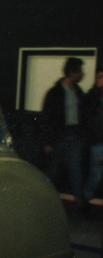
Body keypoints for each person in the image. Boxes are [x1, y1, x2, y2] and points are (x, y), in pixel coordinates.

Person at [42, 57, 87, 211]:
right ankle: (43, 200)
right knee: (53, 169)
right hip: (59, 136)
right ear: (72, 72)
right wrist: (48, 142)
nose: (83, 74)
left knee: (75, 168)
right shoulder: (55, 92)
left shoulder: (78, 91)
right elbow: (47, 118)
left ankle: (81, 204)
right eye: (80, 71)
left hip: (74, 134)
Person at [84, 70, 103, 201]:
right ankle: (85, 200)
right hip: (98, 142)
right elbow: (89, 120)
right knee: (96, 173)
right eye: (99, 77)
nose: (100, 80)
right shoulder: (92, 96)